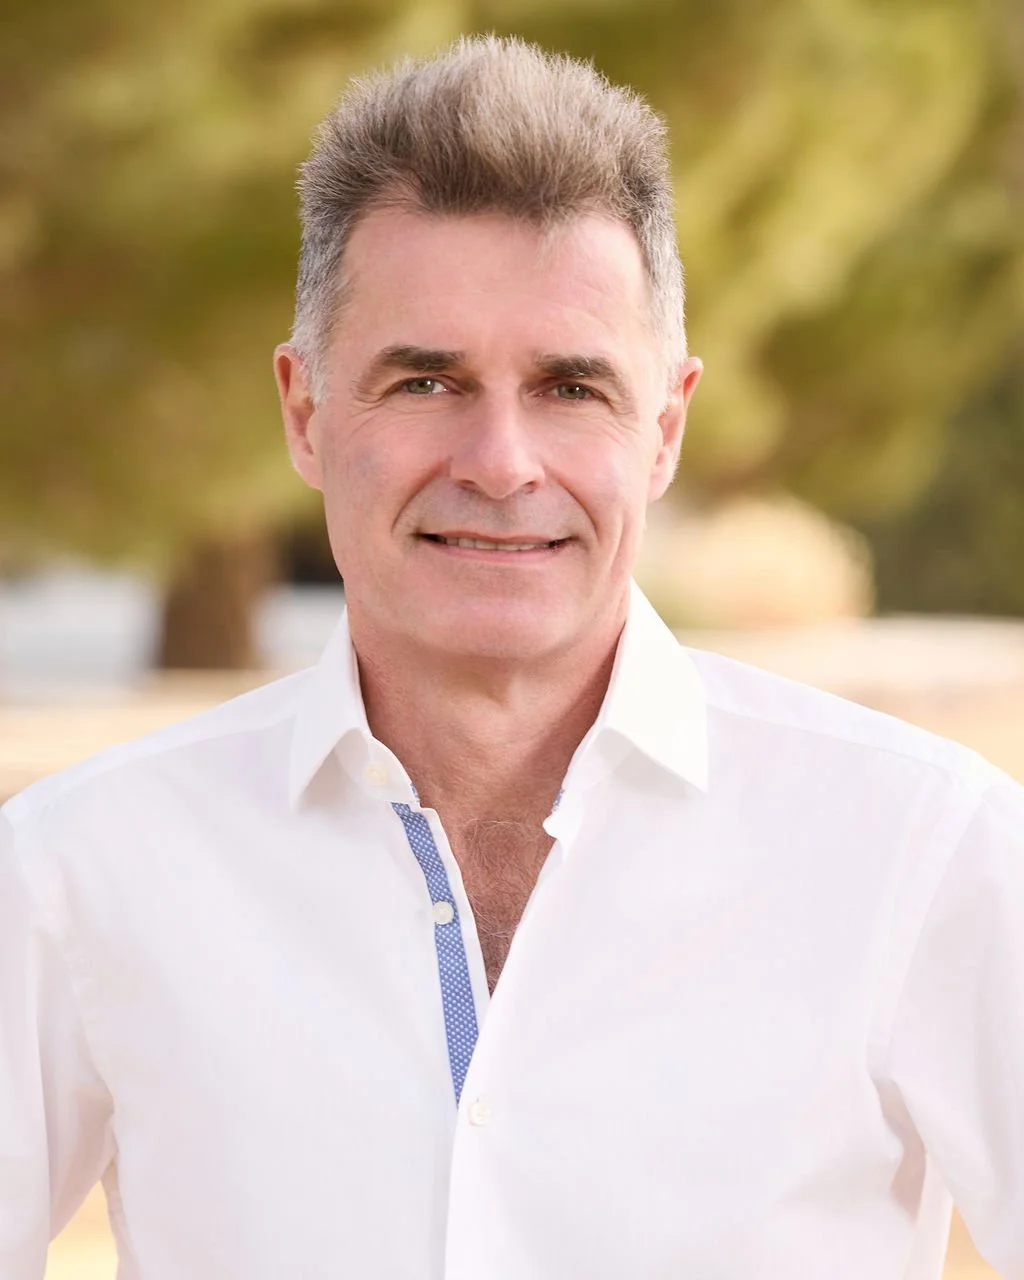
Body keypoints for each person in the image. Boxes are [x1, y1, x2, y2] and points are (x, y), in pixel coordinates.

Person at [2, 34, 1022, 1280]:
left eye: (571, 385)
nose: (499, 462)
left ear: (665, 425)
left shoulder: (925, 849)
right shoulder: (78, 871)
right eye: (426, 380)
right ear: (305, 410)